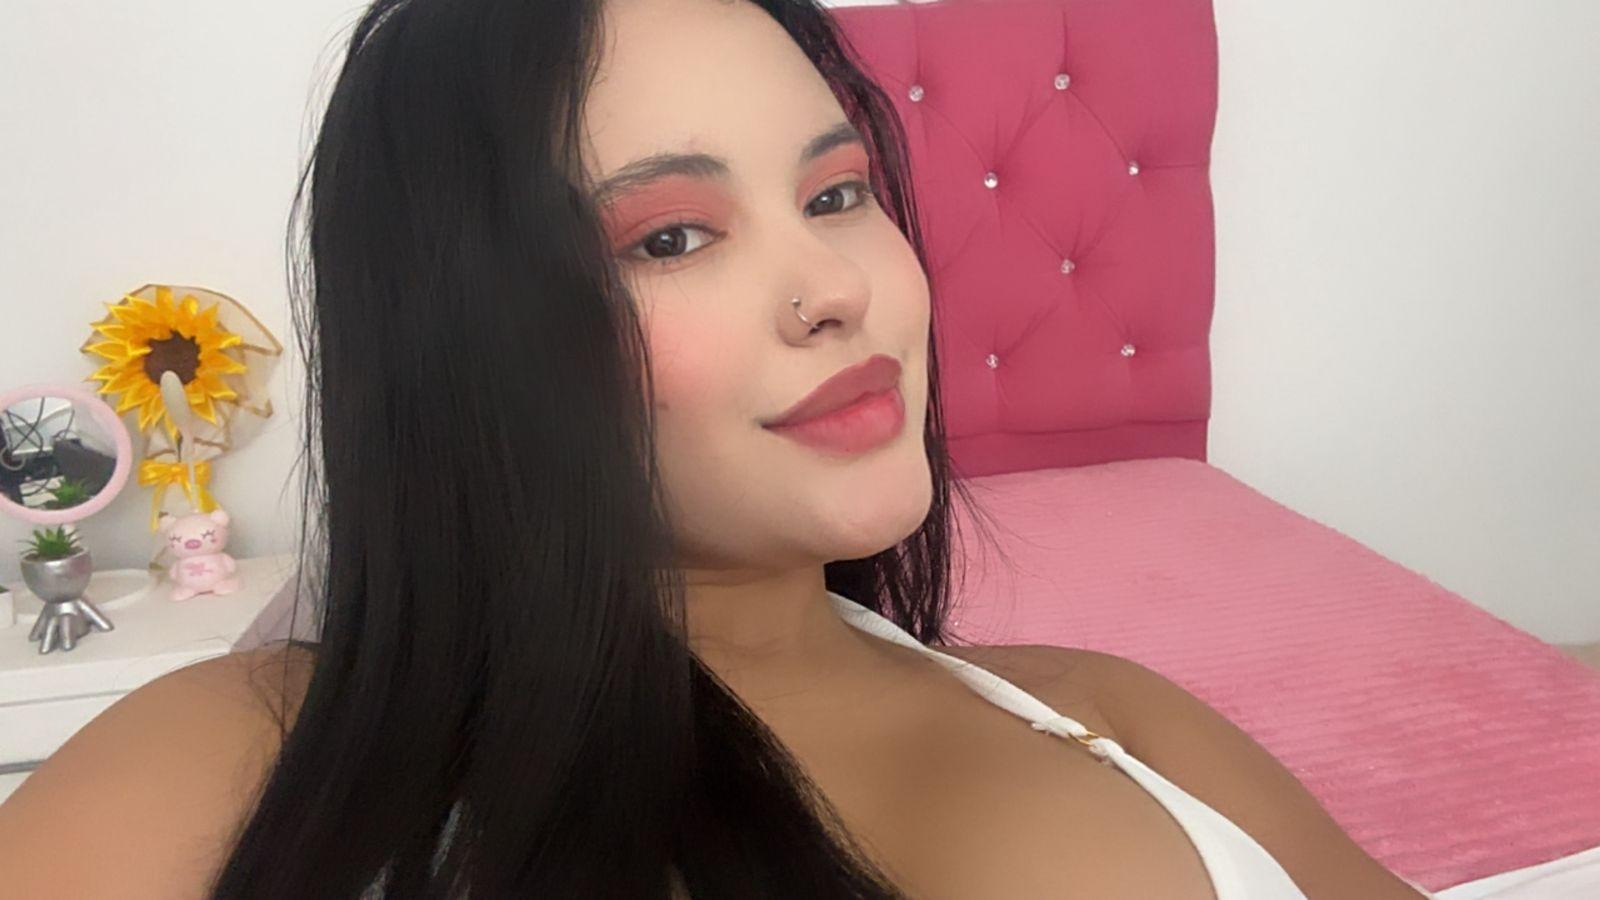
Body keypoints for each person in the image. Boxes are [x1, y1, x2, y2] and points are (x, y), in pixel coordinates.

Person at [0, 0, 1432, 896]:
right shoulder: (221, 767)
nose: (835, 288)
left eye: (838, 193)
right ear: (470, 342)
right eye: (674, 236)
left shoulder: (1121, 716)